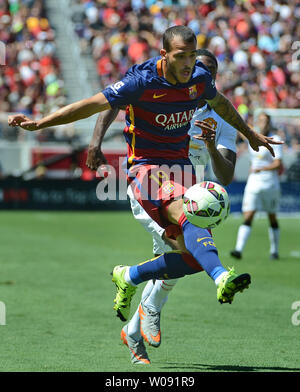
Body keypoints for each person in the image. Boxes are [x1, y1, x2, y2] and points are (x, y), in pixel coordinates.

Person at [8, 25, 281, 357]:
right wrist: (41, 123)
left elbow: (222, 105)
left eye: (192, 55)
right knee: (187, 216)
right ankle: (220, 277)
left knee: (192, 258)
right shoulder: (141, 81)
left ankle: (130, 276)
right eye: (181, 56)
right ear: (165, 54)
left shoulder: (198, 80)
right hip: (147, 169)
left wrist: (250, 134)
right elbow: (93, 104)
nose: (188, 64)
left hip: (180, 174)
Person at [87, 49, 238, 364]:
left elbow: (226, 174)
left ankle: (132, 319)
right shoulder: (163, 94)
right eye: (197, 67)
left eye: (209, 73)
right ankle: (145, 305)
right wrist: (96, 142)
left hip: (192, 196)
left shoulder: (221, 115)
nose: (200, 75)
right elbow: (115, 100)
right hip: (154, 185)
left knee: (183, 258)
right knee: (188, 252)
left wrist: (211, 147)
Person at [230, 112, 283, 260]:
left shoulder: (275, 139)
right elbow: (241, 131)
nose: (262, 123)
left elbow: (278, 164)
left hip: (270, 182)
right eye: (259, 120)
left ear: (269, 123)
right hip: (254, 181)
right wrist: (236, 117)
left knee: (272, 216)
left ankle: (274, 250)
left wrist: (261, 168)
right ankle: (238, 249)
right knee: (248, 215)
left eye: (265, 121)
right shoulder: (253, 136)